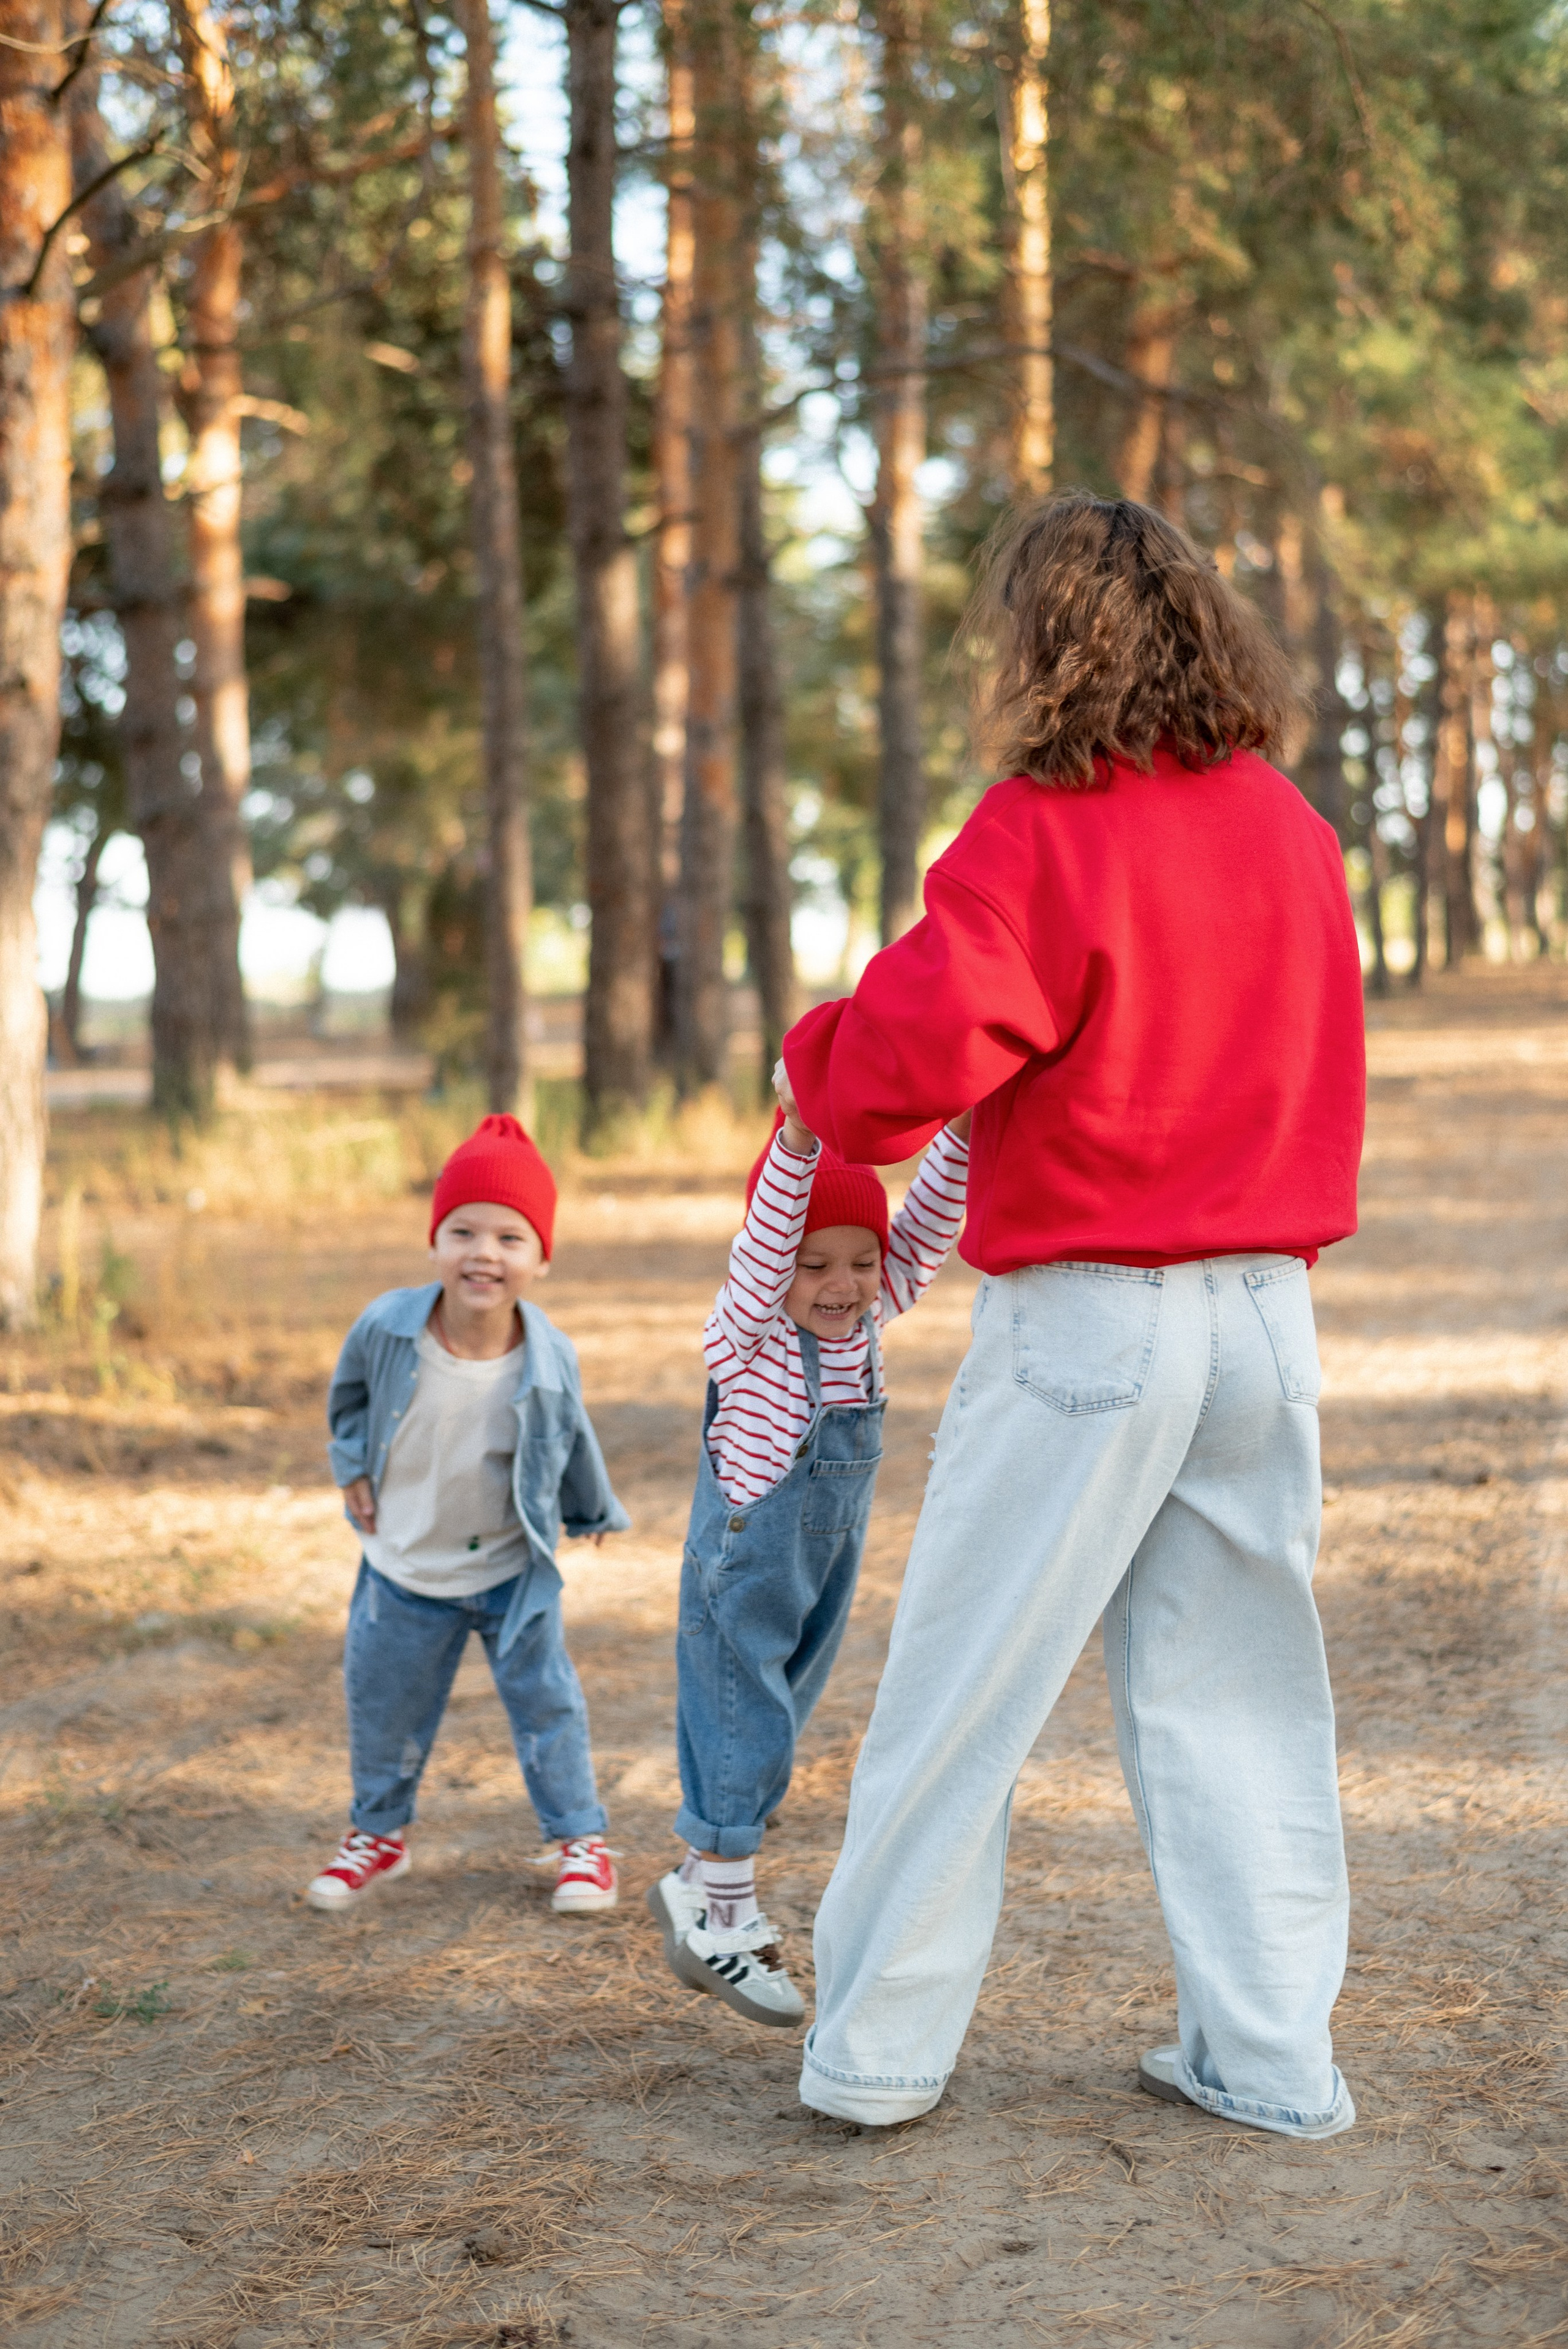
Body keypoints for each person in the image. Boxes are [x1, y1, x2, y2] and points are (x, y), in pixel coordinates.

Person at [781, 491, 1366, 2139]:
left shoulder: (1042, 828)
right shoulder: (1295, 829)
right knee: (1243, 1697)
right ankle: (1271, 2059)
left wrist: (812, 1055)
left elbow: (898, 1080)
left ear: (1042, 646)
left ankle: (877, 2057)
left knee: (963, 1689)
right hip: (1265, 1317)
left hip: (1094, 1328)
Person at [647, 1084, 970, 2026]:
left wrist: (961, 1124)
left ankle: (696, 1878)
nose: (844, 1283)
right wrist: (797, 1136)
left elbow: (926, 1229)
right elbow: (770, 1234)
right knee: (745, 1718)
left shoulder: (867, 1317)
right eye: (815, 1264)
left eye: (861, 1263)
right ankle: (725, 1918)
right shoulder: (745, 1330)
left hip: (819, 1562)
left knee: (776, 1717)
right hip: (748, 1562)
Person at [306, 1114, 630, 1917]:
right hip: (405, 1567)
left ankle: (581, 1842)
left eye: (510, 1238)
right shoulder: (388, 1329)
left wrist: (589, 1507)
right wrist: (350, 1466)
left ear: (541, 1258)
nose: (484, 1253)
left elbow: (571, 1439)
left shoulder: (548, 1358)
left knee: (548, 1706)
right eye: (464, 1231)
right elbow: (347, 1400)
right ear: (435, 1242)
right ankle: (378, 1836)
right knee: (383, 1707)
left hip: (513, 1573)